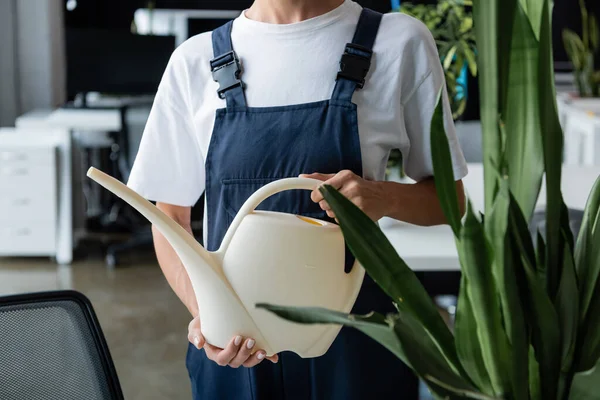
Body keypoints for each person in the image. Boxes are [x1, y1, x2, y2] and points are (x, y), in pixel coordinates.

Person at [127, 0, 468, 398]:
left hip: (358, 346)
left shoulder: (398, 42)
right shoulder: (195, 61)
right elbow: (169, 219)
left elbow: (449, 201)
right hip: (238, 352)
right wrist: (208, 315)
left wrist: (383, 196)